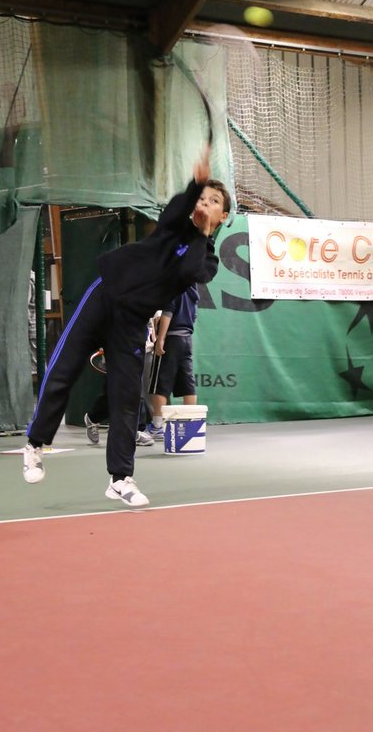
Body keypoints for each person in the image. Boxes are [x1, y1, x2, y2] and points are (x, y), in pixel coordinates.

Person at [23, 146, 231, 506]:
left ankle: (120, 479)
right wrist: (194, 186)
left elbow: (187, 272)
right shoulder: (174, 225)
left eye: (213, 201)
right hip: (104, 295)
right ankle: (35, 444)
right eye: (202, 197)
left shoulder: (207, 260)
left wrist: (202, 233)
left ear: (223, 216)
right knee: (64, 369)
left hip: (132, 321)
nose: (204, 203)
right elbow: (174, 209)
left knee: (125, 398)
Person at [147, 285, 200, 440]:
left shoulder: (174, 287)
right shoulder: (193, 289)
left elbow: (168, 312)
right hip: (187, 340)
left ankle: (157, 427)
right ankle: (189, 426)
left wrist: (160, 339)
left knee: (160, 384)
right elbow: (193, 316)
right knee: (187, 384)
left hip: (171, 340)